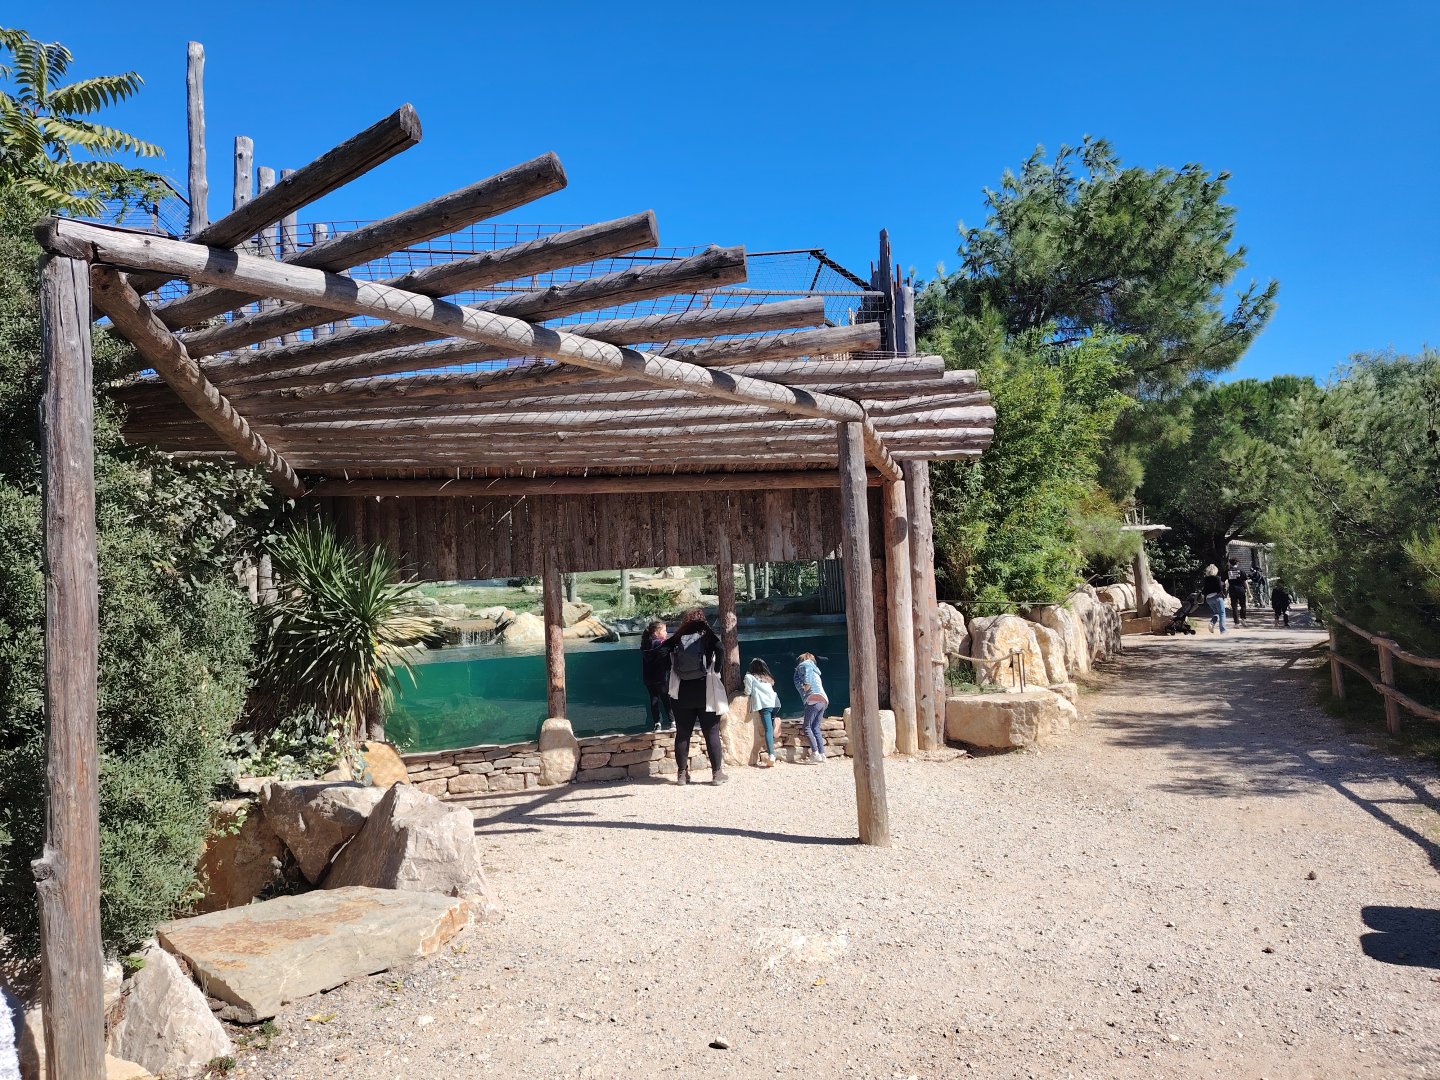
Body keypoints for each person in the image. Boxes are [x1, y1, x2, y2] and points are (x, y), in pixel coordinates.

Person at [657, 608, 729, 785]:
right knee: (711, 732)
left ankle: (682, 775)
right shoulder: (707, 635)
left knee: (683, 734)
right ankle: (717, 774)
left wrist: (672, 667)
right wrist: (717, 669)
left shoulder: (678, 637)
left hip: (681, 693)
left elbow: (661, 651)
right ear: (702, 620)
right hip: (706, 691)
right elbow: (720, 648)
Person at [743, 658, 782, 766]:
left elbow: (748, 691)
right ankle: (775, 725)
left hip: (764, 705)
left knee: (768, 730)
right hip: (775, 703)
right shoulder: (767, 677)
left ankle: (771, 755)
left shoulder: (749, 677)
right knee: (770, 727)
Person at [793, 652, 829, 763]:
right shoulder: (816, 670)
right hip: (823, 700)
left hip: (813, 698)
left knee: (807, 727)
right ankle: (822, 754)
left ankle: (815, 753)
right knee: (816, 727)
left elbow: (807, 672)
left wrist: (806, 685)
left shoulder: (805, 664)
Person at [640, 619, 671, 732]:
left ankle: (657, 723)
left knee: (654, 699)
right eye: (664, 631)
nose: (666, 633)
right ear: (656, 633)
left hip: (648, 678)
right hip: (661, 677)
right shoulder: (661, 644)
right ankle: (672, 721)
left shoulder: (645, 644)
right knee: (666, 698)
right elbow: (667, 660)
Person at [1202, 564, 1228, 634]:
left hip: (1208, 599)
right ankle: (1223, 630)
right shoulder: (1218, 578)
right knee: (1222, 613)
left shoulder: (1205, 579)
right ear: (1215, 571)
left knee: (1216, 613)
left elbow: (1204, 590)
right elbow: (1219, 589)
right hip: (1217, 597)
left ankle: (1212, 622)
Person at [1226, 558, 1249, 627]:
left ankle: (1236, 623)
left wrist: (1224, 591)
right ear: (1237, 563)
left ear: (1230, 563)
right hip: (1241, 589)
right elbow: (1245, 582)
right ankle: (1243, 619)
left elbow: (1223, 582)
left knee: (1234, 606)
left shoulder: (1227, 571)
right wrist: (1249, 592)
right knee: (1243, 605)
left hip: (1232, 590)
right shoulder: (1241, 571)